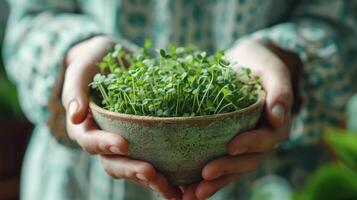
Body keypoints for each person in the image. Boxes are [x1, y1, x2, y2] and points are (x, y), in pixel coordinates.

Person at [3, 0, 357, 199]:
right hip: (85, 179)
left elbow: (342, 22)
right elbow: (28, 19)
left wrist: (286, 60)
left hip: (269, 176)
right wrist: (75, 54)